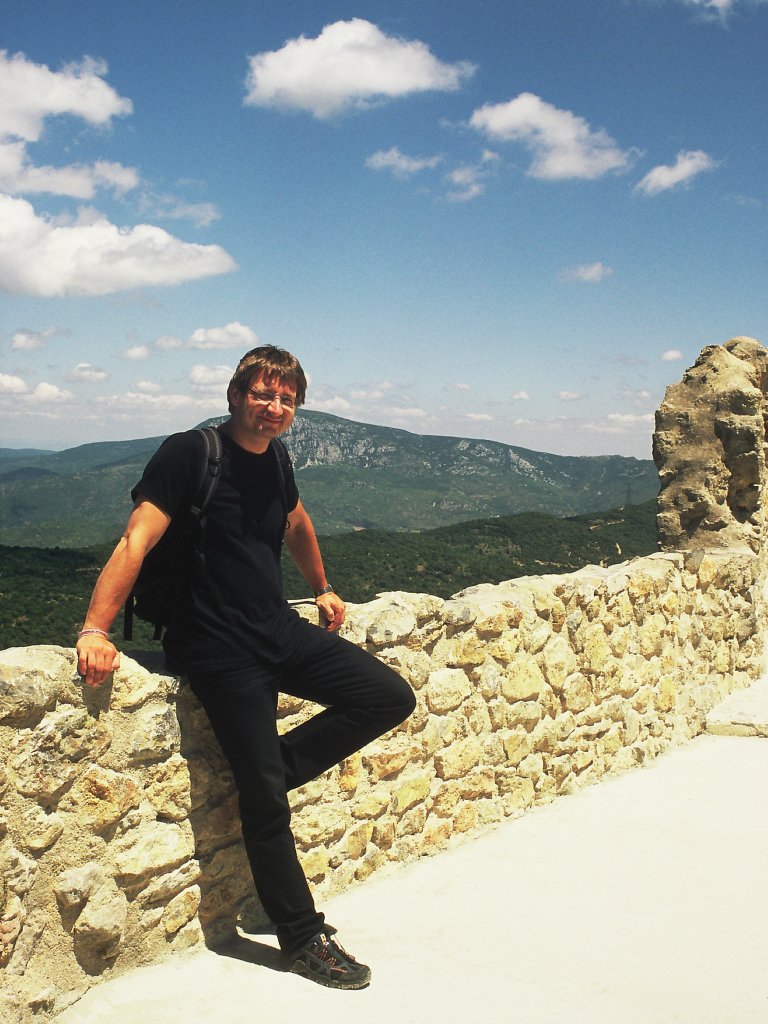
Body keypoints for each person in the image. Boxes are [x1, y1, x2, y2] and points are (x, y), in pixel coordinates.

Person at [76, 345, 416, 990]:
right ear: (235, 395)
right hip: (216, 649)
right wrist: (95, 629)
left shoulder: (277, 457)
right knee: (265, 805)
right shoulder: (190, 453)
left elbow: (296, 522)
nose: (274, 407)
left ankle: (271, 772)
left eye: (286, 398)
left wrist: (322, 587)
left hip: (277, 628)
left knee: (387, 696)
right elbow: (137, 538)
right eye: (263, 394)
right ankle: (302, 936)